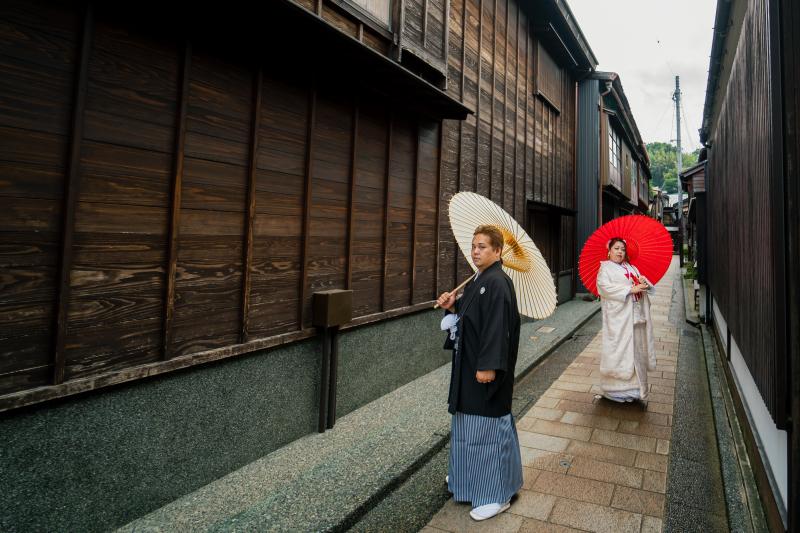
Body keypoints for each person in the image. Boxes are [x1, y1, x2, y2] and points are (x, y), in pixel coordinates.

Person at [436, 225, 523, 521]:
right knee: (466, 427)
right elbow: (469, 319)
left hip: (484, 369)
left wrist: (488, 365)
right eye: (474, 246)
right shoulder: (476, 281)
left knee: (486, 430)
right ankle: (466, 481)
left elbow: (498, 328)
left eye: (483, 246)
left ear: (498, 252)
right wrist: (452, 307)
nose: (475, 251)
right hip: (468, 366)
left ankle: (496, 495)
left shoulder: (498, 282)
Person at [595, 237, 657, 402]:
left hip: (636, 314)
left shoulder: (631, 267)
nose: (620, 252)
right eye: (616, 248)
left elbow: (641, 286)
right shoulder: (605, 269)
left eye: (622, 249)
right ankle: (615, 391)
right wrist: (630, 289)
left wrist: (642, 282)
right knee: (620, 350)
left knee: (637, 350)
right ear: (609, 251)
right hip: (619, 318)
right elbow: (604, 288)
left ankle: (635, 390)